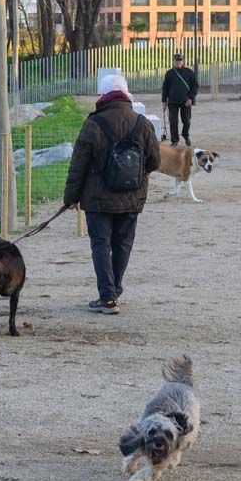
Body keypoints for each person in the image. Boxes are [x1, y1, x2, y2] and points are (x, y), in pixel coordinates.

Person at [62, 73, 162, 315]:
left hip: (97, 198)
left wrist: (71, 197)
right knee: (123, 244)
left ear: (103, 95)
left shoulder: (93, 123)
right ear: (126, 93)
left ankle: (107, 296)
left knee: (100, 244)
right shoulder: (143, 123)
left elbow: (79, 164)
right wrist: (135, 177)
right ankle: (114, 291)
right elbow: (155, 161)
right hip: (132, 196)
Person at [160, 53, 198, 147]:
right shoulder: (169, 73)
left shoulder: (189, 72)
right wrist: (164, 100)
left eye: (180, 60)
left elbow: (195, 86)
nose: (178, 62)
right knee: (173, 121)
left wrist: (191, 98)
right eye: (176, 60)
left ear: (183, 61)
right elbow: (165, 88)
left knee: (186, 121)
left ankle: (185, 135)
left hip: (186, 101)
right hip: (172, 101)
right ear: (173, 61)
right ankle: (175, 140)